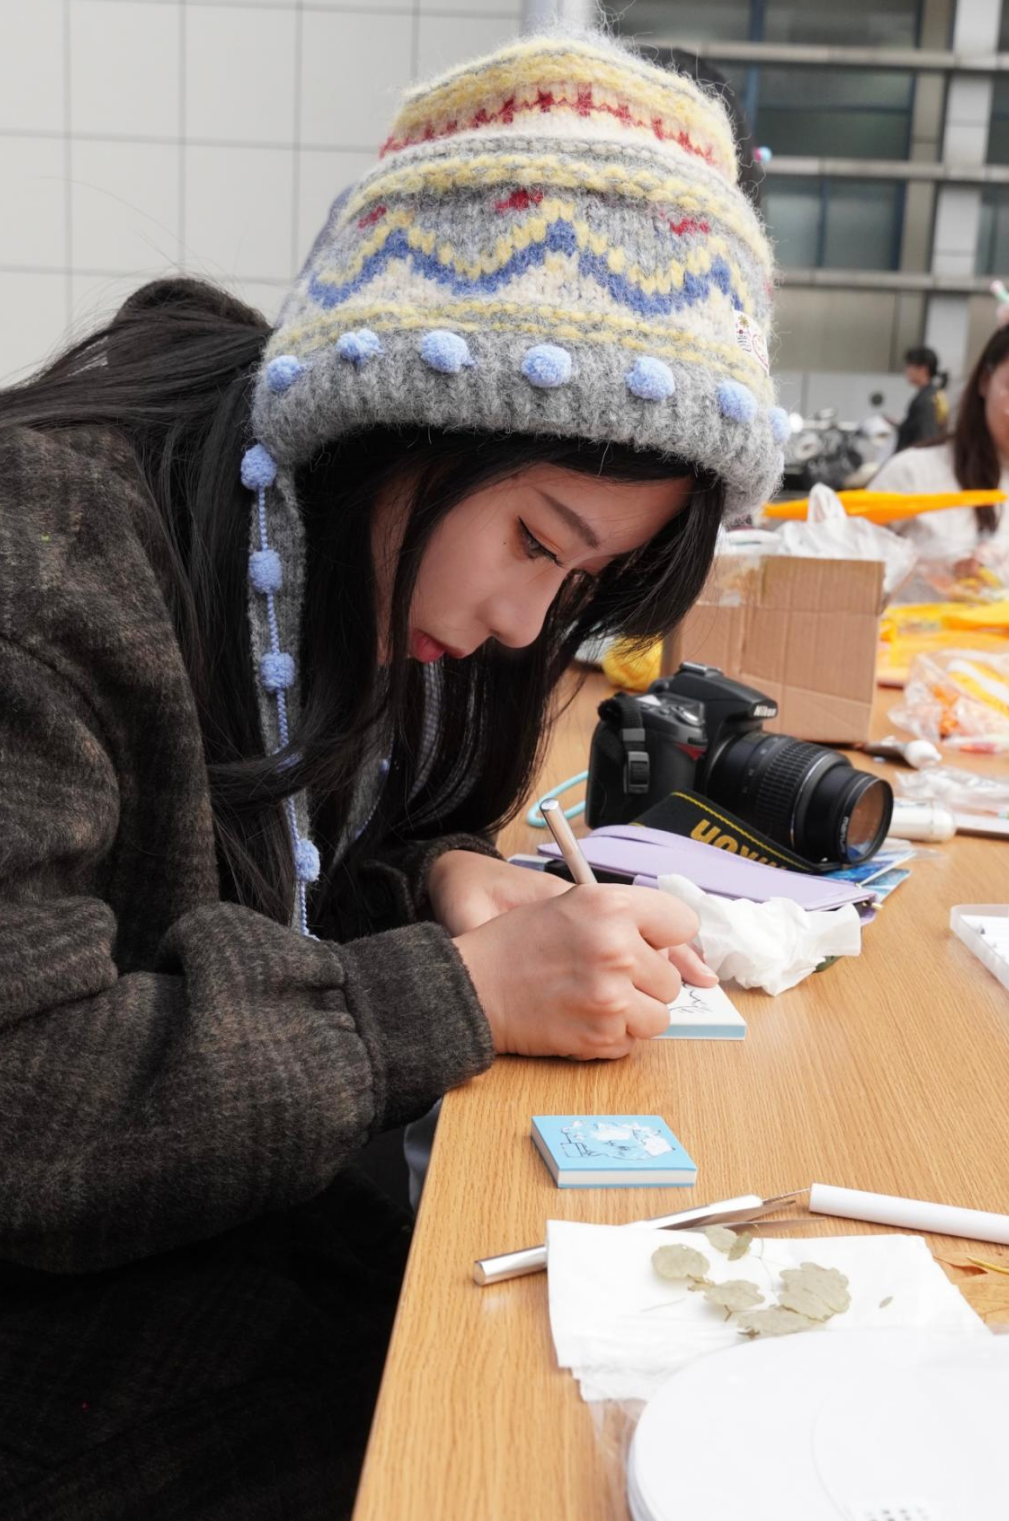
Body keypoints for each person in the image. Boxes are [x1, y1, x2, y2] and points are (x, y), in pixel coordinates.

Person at [0, 29, 782, 1521]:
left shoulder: (315, 547)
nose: (525, 626)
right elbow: (28, 1099)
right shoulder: (50, 566)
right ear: (399, 419)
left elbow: (276, 874)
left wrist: (435, 876)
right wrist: (456, 994)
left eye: (582, 585)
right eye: (538, 543)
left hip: (221, 1260)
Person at [871, 327, 1009, 559]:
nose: (907, 371)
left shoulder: (929, 398)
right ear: (985, 381)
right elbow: (851, 566)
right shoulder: (914, 474)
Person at [893, 345, 949, 454]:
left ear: (923, 369)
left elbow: (926, 437)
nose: (906, 371)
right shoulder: (933, 393)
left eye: (909, 366)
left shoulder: (925, 400)